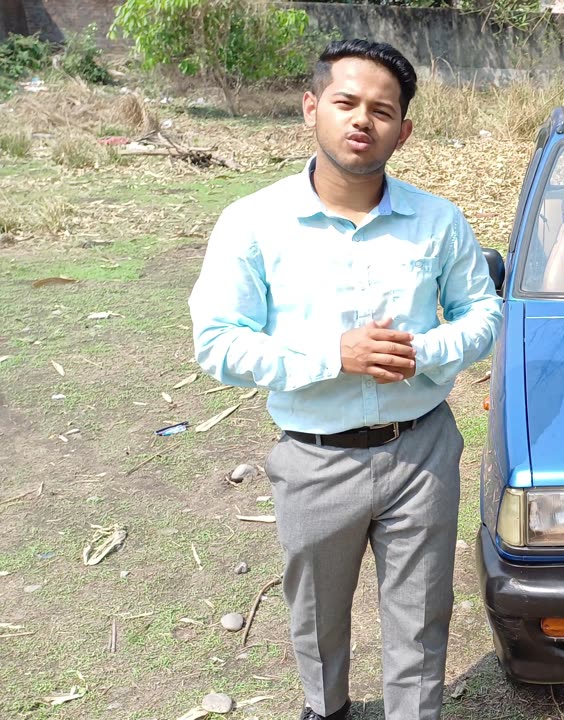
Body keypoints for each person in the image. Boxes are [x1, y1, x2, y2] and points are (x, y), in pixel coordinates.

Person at [187, 39, 502, 720]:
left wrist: (429, 350)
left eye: (382, 110)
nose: (363, 120)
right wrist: (335, 355)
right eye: (346, 103)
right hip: (313, 455)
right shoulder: (254, 223)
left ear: (403, 130)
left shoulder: (438, 221)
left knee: (421, 613)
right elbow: (218, 344)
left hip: (421, 449)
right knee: (316, 612)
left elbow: (483, 314)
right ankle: (323, 707)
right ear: (311, 108)